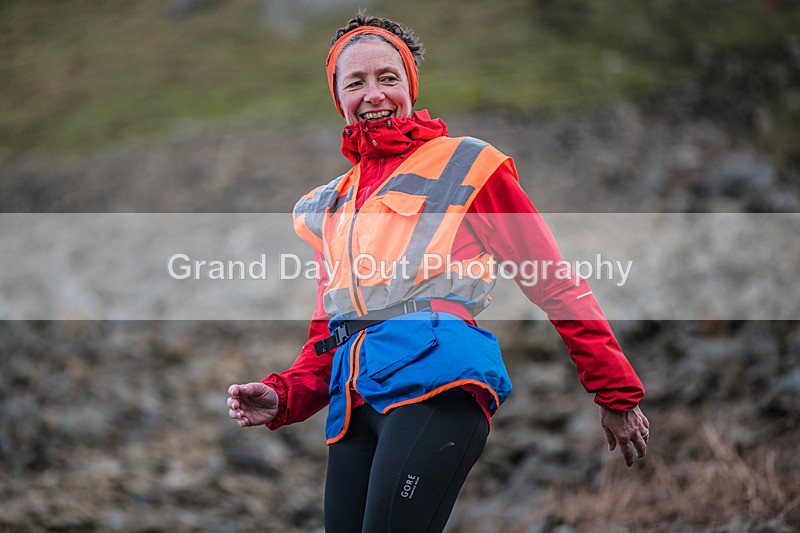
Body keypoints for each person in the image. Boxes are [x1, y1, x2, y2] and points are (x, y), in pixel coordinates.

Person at [227, 13, 649, 532]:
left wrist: (615, 391)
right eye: (355, 82)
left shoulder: (469, 165)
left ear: (410, 85)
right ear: (338, 98)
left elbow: (554, 281)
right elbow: (328, 334)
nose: (374, 93)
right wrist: (285, 396)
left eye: (388, 77)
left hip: (439, 379)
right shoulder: (330, 204)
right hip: (353, 405)